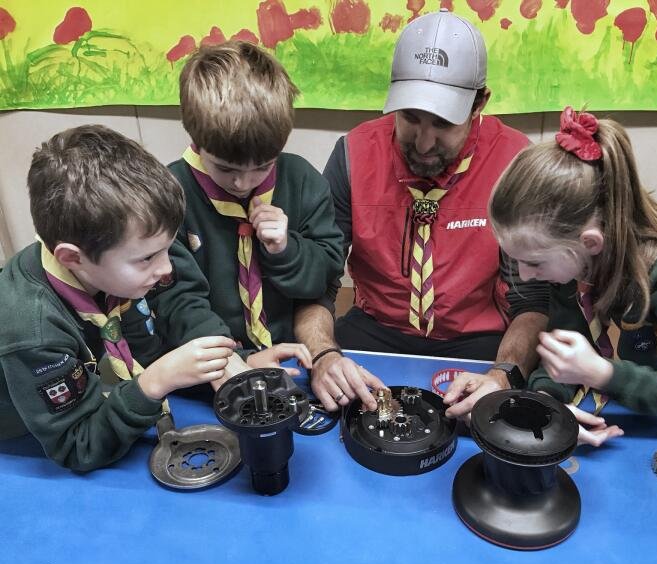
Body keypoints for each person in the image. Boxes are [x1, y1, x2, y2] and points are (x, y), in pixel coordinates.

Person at [0, 125, 299, 471]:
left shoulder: (115, 265)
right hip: (22, 445)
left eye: (166, 249)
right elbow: (77, 446)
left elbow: (145, 348)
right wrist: (155, 382)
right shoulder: (32, 330)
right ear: (72, 258)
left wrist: (236, 361)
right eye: (147, 258)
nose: (167, 269)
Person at [297, 8, 550, 415]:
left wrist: (502, 375)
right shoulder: (352, 154)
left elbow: (531, 300)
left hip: (477, 340)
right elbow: (318, 284)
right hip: (375, 329)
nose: (425, 143)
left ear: (479, 102)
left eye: (443, 123)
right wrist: (325, 356)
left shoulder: (515, 160)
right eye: (410, 118)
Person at [488, 106, 657, 440]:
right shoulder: (570, 256)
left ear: (590, 243)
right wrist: (550, 404)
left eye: (534, 263)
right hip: (651, 369)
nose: (525, 275)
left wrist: (603, 374)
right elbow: (563, 345)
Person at [163, 40, 343, 375]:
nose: (243, 184)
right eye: (226, 169)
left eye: (262, 166)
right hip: (210, 365)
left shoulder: (302, 180)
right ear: (196, 140)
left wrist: (286, 251)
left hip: (294, 359)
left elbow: (325, 279)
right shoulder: (169, 195)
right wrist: (233, 362)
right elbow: (178, 302)